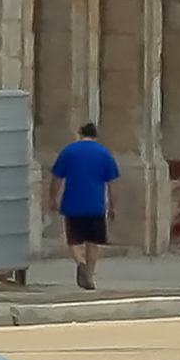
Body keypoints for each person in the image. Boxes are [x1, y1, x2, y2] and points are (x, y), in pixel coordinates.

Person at [49, 121, 121, 292]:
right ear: (96, 135)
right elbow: (113, 183)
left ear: (80, 134)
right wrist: (113, 206)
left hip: (72, 203)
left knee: (74, 240)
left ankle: (80, 262)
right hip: (96, 205)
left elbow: (56, 179)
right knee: (93, 242)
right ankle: (89, 275)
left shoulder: (69, 152)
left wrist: (52, 198)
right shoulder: (105, 154)